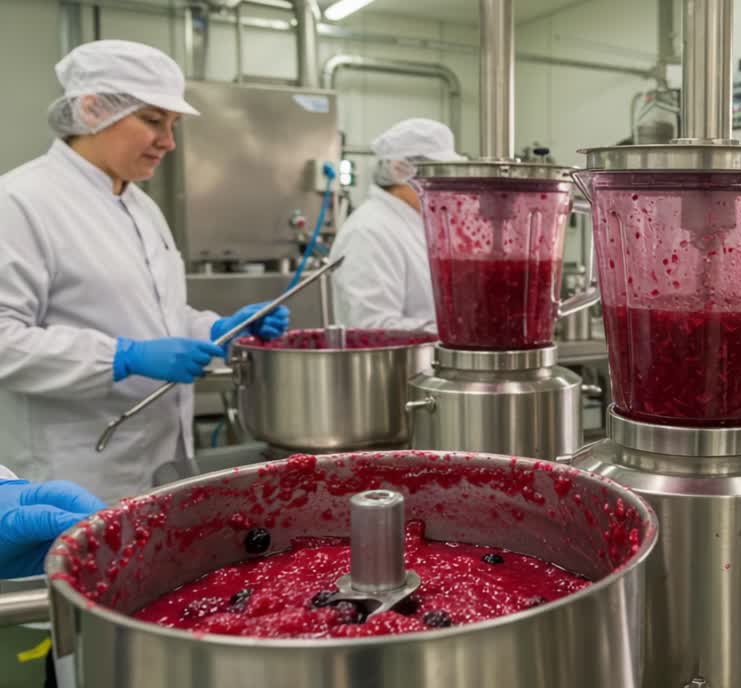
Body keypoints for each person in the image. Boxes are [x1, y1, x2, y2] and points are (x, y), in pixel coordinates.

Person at [0, 40, 289, 504]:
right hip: (76, 469)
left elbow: (157, 315)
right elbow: (4, 341)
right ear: (92, 110)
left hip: (161, 459)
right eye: (153, 120)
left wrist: (215, 329)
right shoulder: (19, 201)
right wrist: (120, 357)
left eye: (172, 125)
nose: (169, 142)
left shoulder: (140, 205)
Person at [331, 118, 463, 331]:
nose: (450, 184)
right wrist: (460, 331)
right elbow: (372, 327)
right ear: (401, 170)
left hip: (428, 361)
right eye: (440, 173)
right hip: (393, 363)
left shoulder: (418, 222)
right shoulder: (369, 231)